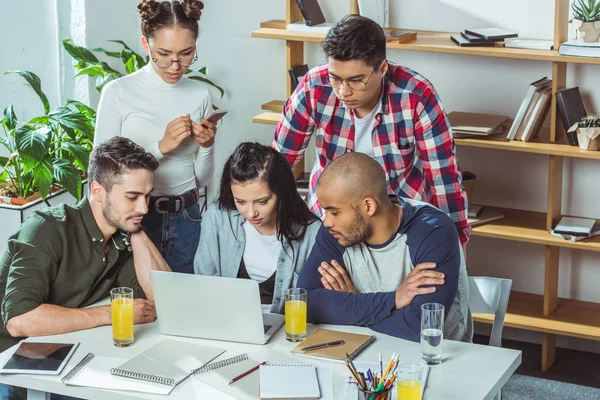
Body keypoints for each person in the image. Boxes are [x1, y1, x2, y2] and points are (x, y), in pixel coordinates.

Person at [273, 14, 471, 249]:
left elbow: (443, 177)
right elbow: (280, 162)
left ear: (382, 68)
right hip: (331, 217)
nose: (343, 92)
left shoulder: (416, 96)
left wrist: (456, 242)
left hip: (399, 216)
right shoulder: (313, 87)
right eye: (336, 78)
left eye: (356, 80)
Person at [0, 137, 170, 400]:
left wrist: (136, 232)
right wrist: (111, 313)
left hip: (63, 352)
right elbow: (19, 321)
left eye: (147, 196)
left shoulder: (121, 236)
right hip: (10, 364)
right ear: (98, 191)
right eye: (132, 197)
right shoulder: (46, 229)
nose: (144, 208)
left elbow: (163, 300)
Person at [95, 0, 216, 274]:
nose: (175, 65)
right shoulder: (118, 92)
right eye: (163, 54)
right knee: (138, 306)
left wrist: (207, 147)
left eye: (186, 53)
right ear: (145, 44)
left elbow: (202, 180)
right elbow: (100, 170)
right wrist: (160, 147)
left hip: (187, 216)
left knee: (185, 303)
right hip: (136, 217)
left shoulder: (200, 95)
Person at [297, 152, 472, 342]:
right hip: (365, 353)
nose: (326, 222)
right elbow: (305, 304)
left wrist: (352, 307)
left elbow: (420, 327)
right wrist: (394, 299)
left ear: (369, 206)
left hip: (439, 359)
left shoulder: (432, 231)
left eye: (334, 212)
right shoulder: (337, 231)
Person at [194, 143, 321, 313]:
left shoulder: (311, 232)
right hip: (226, 321)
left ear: (281, 194)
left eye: (262, 202)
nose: (251, 213)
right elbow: (204, 284)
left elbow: (316, 301)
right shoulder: (217, 218)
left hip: (287, 329)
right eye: (240, 202)